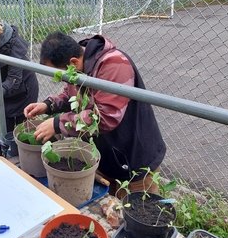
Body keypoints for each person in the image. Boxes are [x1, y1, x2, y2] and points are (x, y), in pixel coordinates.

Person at [23, 31, 166, 198]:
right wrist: (47, 105)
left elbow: (105, 117)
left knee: (138, 212)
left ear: (73, 62)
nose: (60, 80)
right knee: (109, 209)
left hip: (135, 161)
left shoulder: (114, 65)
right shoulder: (79, 64)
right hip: (107, 157)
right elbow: (70, 95)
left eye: (59, 75)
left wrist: (57, 124)